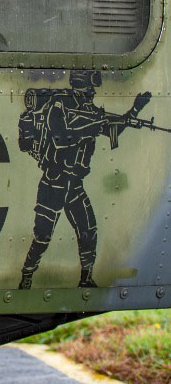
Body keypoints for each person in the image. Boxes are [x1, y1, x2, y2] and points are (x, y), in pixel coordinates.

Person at [19, 70, 150, 289]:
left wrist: (134, 110)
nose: (91, 95)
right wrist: (93, 126)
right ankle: (26, 276)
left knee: (88, 230)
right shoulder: (58, 105)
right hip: (54, 181)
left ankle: (86, 278)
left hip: (74, 184)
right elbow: (61, 136)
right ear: (82, 87)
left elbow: (111, 129)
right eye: (90, 90)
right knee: (42, 237)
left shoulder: (90, 111)